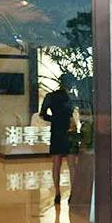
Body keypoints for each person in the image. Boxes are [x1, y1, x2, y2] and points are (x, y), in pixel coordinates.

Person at [40, 75, 78, 204]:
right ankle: (73, 193)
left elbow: (43, 114)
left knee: (56, 164)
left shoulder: (51, 96)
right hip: (69, 130)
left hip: (56, 131)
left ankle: (57, 193)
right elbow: (73, 113)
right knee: (72, 165)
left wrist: (55, 119)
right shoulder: (71, 97)